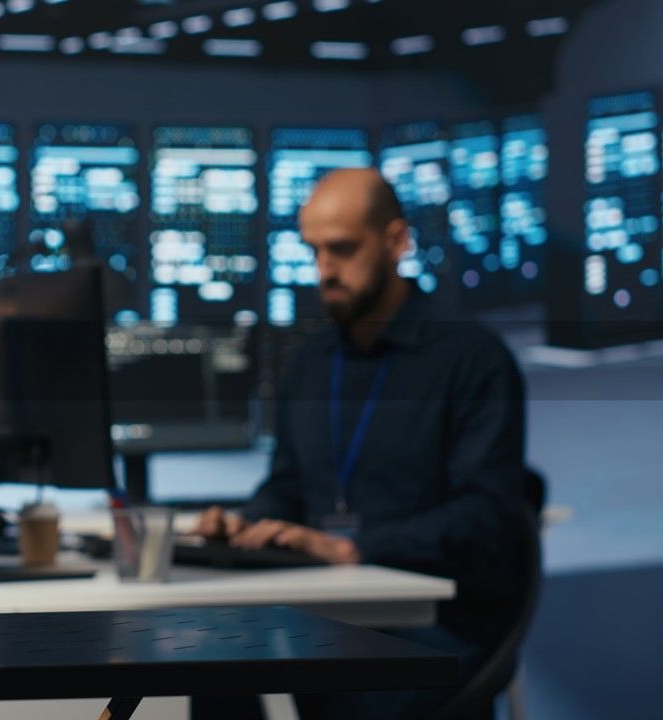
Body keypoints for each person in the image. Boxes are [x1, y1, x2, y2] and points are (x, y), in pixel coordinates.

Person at [193, 168, 532, 719]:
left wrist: (358, 546)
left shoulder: (471, 360)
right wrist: (247, 524)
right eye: (314, 251)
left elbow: (486, 516)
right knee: (213, 680)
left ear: (397, 241)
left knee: (347, 696)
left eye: (343, 249)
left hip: (437, 624)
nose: (325, 270)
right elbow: (288, 486)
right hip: (327, 614)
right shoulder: (311, 361)